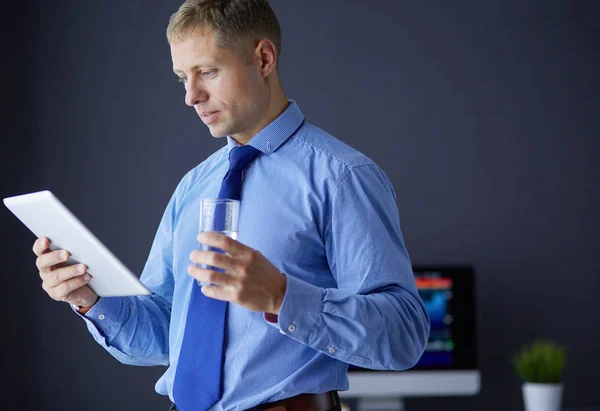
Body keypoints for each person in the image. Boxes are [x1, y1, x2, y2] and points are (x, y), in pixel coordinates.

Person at [32, 1, 430, 410]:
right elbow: (165, 336)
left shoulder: (342, 177)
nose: (191, 96)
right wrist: (91, 299)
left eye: (207, 71)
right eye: (182, 77)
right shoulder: (193, 186)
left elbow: (404, 336)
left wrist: (281, 297)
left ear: (263, 58)